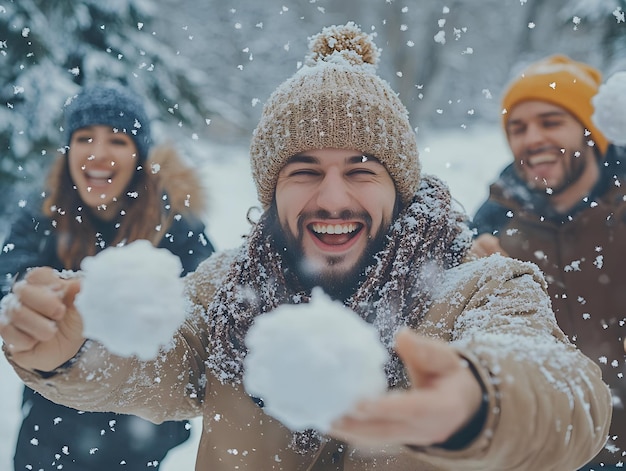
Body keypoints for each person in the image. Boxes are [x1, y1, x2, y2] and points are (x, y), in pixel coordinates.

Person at [0, 23, 613, 471]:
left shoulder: (476, 284)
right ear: (271, 192)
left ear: (398, 189)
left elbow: (569, 397)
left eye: (362, 169)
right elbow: (149, 355)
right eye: (303, 171)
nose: (333, 197)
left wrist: (482, 402)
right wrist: (71, 349)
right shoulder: (229, 287)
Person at [0, 84, 216, 470]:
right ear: (69, 150)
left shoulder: (175, 222)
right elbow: (8, 282)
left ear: (139, 155)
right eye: (85, 138)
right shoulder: (41, 214)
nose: (98, 154)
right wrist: (31, 298)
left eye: (117, 140)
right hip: (51, 428)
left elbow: (208, 304)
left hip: (140, 427)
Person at [470, 54, 626, 470]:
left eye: (551, 122)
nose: (532, 139)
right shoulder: (490, 229)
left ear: (592, 131)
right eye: (517, 128)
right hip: (550, 448)